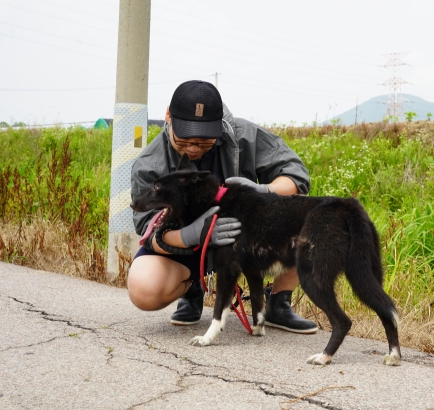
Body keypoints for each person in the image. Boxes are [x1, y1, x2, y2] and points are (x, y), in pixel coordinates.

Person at [127, 80, 317, 334]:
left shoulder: (243, 134)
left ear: (220, 124)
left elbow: (296, 177)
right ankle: (192, 289)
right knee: (144, 289)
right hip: (185, 249)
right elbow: (148, 233)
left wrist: (263, 190)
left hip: (242, 237)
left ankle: (278, 303)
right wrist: (191, 234)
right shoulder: (150, 164)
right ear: (168, 117)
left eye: (204, 141)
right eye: (185, 139)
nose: (194, 148)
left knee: (303, 211)